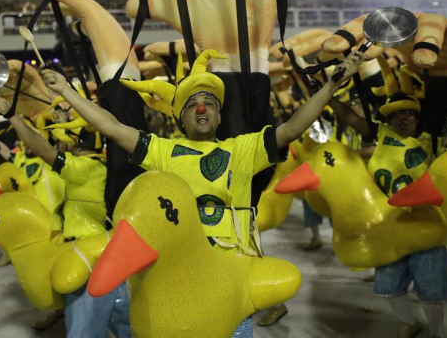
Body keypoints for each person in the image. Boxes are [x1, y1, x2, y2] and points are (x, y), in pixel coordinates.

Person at [41, 49, 365, 337]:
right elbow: (111, 127)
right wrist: (67, 90)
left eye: (209, 103)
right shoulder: (163, 151)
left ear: (219, 115)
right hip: (177, 275)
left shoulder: (243, 150)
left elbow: (293, 127)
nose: (201, 108)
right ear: (181, 118)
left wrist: (332, 85)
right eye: (192, 104)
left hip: (231, 278)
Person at [0, 97, 131, 338]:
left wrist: (14, 116)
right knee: (123, 320)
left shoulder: (82, 169)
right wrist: (63, 119)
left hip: (85, 261)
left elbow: (44, 150)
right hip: (108, 252)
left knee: (83, 329)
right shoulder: (101, 165)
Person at [333, 88, 447, 338]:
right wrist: (327, 93)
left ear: (417, 117)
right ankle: (409, 321)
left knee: (432, 289)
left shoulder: (431, 141)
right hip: (389, 226)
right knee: (389, 285)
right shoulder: (380, 139)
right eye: (396, 114)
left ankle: (437, 333)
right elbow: (348, 116)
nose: (402, 118)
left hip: (425, 227)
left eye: (408, 113)